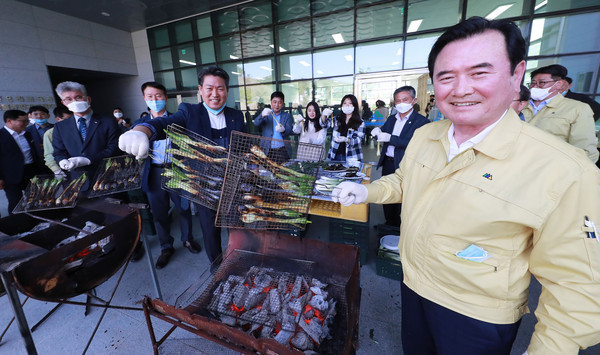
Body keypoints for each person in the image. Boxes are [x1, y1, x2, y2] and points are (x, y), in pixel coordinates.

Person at [331, 17, 600, 354]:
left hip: (476, 314)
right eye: (446, 76)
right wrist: (367, 191)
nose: (460, 89)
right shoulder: (426, 135)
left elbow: (576, 288)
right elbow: (404, 180)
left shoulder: (565, 170)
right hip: (413, 284)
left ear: (516, 76)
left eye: (479, 72)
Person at [118, 66, 246, 272]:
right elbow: (163, 123)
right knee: (209, 228)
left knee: (236, 227)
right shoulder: (189, 111)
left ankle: (237, 259)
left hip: (231, 183)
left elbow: (243, 146)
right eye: (209, 88)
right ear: (200, 89)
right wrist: (141, 130)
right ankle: (217, 268)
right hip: (202, 185)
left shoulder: (236, 116)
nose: (215, 94)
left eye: (220, 89)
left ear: (227, 91)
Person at [130, 81, 196, 268]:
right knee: (159, 213)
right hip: (155, 173)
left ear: (166, 97)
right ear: (144, 99)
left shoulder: (178, 120)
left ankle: (187, 239)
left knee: (183, 208)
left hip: (177, 170)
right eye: (150, 96)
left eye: (158, 96)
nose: (155, 100)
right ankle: (166, 246)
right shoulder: (139, 125)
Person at [370, 86, 429, 227]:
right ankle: (389, 223)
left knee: (402, 196)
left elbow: (412, 142)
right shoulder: (392, 119)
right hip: (388, 163)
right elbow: (382, 133)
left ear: (413, 100)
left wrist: (390, 138)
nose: (401, 103)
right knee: (387, 194)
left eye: (405, 100)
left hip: (405, 165)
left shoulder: (421, 122)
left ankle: (401, 228)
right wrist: (376, 132)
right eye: (397, 101)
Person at [522, 64, 598, 163]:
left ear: (558, 84)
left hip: (552, 167)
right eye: (532, 83)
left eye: (542, 83)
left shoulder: (577, 108)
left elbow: (585, 150)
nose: (535, 87)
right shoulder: (518, 104)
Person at [52, 81, 120, 186]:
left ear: (88, 99)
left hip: (108, 177)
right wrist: (61, 161)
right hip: (78, 182)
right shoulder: (60, 127)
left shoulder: (108, 122)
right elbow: (58, 152)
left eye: (78, 97)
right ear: (64, 103)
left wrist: (89, 160)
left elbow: (114, 148)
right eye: (68, 99)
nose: (74, 101)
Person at [0, 110, 45, 214]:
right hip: (10, 176)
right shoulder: (1, 136)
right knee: (16, 202)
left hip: (31, 171)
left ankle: (38, 222)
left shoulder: (27, 134)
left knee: (36, 199)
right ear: (9, 121)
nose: (26, 123)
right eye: (23, 121)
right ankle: (16, 226)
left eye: (27, 121)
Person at [253, 91, 294, 163]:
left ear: (283, 103)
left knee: (284, 171)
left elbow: (289, 130)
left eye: (279, 102)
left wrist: (283, 130)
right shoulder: (266, 113)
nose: (277, 105)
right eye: (274, 102)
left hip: (283, 150)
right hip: (267, 149)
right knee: (269, 171)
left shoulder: (287, 116)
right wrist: (262, 115)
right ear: (271, 102)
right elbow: (256, 123)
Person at [327, 94, 365, 162]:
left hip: (352, 157)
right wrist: (324, 115)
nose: (347, 105)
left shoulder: (360, 122)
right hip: (335, 155)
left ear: (354, 106)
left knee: (350, 172)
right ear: (341, 106)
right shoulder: (336, 119)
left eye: (350, 103)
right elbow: (324, 125)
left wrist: (347, 140)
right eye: (345, 103)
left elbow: (359, 141)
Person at [43, 106, 72, 177]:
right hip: (66, 169)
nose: (71, 121)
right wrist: (56, 170)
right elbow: (49, 154)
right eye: (67, 119)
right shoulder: (50, 133)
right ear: (58, 119)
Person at [25, 105, 53, 173]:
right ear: (30, 116)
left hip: (56, 160)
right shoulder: (27, 131)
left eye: (42, 114)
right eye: (35, 114)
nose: (39, 116)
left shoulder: (56, 128)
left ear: (48, 115)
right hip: (38, 164)